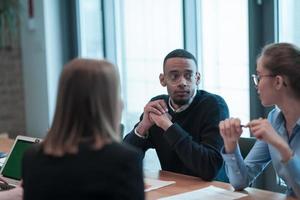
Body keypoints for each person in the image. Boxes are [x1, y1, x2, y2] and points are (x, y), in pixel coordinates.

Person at [21, 59, 144, 200]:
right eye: (117, 94)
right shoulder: (125, 160)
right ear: (107, 103)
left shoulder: (31, 157)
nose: (122, 103)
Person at [124, 49, 229, 180]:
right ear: (163, 80)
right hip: (174, 188)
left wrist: (168, 126)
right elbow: (122, 161)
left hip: (213, 191)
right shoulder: (158, 106)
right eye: (174, 76)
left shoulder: (214, 106)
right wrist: (143, 126)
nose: (182, 83)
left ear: (197, 78)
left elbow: (209, 168)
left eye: (188, 76)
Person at [219, 43, 300, 198]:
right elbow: (241, 181)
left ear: (278, 82)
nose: (256, 85)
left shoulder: (272, 129)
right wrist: (231, 145)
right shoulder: (274, 119)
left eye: (259, 76)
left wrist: (282, 147)